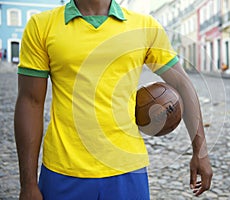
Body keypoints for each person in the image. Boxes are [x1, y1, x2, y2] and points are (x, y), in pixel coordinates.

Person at [14, 0, 213, 199]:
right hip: (63, 170)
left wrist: (200, 151)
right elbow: (30, 101)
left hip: (128, 171)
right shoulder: (42, 25)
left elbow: (182, 84)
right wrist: (28, 183)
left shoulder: (144, 26)